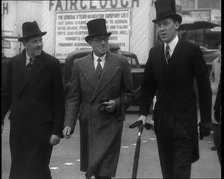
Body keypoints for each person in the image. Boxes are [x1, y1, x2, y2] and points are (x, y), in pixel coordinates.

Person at [136, 0, 212, 178]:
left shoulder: (191, 51)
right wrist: (142, 112)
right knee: (168, 172)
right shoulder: (154, 53)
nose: (162, 28)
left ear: (177, 25)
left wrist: (206, 120)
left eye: (166, 24)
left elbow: (204, 87)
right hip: (162, 124)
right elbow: (148, 86)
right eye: (159, 25)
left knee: (180, 173)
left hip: (184, 124)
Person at [63, 18, 134, 179]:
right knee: (94, 171)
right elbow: (74, 98)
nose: (103, 43)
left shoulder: (120, 63)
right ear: (90, 43)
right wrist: (68, 124)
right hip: (89, 124)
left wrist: (116, 103)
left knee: (104, 174)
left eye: (105, 39)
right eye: (98, 40)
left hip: (111, 125)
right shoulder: (79, 65)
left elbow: (130, 94)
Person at [1, 21, 65, 179]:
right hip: (19, 129)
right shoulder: (13, 64)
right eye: (34, 41)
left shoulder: (52, 64)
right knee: (18, 170)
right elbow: (6, 95)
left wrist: (57, 130)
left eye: (40, 40)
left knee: (39, 171)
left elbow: (59, 100)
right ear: (25, 44)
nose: (39, 45)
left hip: (42, 130)